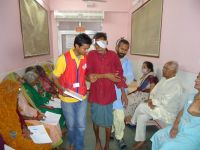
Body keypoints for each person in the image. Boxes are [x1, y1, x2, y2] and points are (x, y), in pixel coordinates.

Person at [86, 32, 128, 150]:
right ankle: (98, 140)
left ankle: (107, 144)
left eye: (101, 43)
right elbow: (88, 73)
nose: (98, 46)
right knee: (96, 120)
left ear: (107, 43)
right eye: (96, 44)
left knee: (108, 121)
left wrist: (123, 93)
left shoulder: (113, 56)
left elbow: (119, 74)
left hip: (109, 95)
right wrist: (92, 76)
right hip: (96, 94)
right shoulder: (91, 55)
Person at [128, 61, 183, 149]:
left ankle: (132, 121)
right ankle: (141, 140)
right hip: (157, 108)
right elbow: (153, 91)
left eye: (166, 69)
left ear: (174, 72)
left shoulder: (176, 85)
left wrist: (153, 102)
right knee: (141, 117)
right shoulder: (164, 79)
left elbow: (166, 100)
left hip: (167, 112)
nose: (163, 70)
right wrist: (151, 101)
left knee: (142, 106)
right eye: (163, 67)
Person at [52, 33, 92, 150]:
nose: (86, 51)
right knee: (71, 126)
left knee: (81, 126)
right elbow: (54, 77)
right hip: (67, 99)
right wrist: (61, 88)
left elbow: (85, 75)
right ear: (76, 46)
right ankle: (72, 143)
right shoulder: (63, 59)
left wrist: (90, 78)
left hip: (82, 97)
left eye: (87, 48)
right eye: (84, 48)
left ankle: (79, 147)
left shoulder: (85, 58)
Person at [4, 72, 63, 148]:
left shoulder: (21, 91)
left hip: (32, 112)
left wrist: (37, 112)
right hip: (27, 117)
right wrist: (35, 117)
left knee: (53, 120)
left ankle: (55, 144)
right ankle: (53, 145)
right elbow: (19, 115)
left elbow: (31, 103)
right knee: (50, 125)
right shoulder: (12, 98)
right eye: (19, 79)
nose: (22, 81)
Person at [151, 72, 200, 150]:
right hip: (180, 126)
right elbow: (181, 111)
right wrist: (175, 127)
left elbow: (192, 109)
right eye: (197, 77)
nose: (196, 80)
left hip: (192, 134)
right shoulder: (192, 95)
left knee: (167, 147)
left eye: (199, 78)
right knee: (158, 136)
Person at [110, 38, 134, 149]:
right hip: (108, 93)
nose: (123, 51)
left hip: (120, 93)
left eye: (125, 49)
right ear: (116, 47)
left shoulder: (127, 62)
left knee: (120, 116)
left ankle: (119, 137)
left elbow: (130, 76)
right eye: (121, 48)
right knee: (110, 114)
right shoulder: (109, 58)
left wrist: (125, 78)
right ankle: (111, 130)